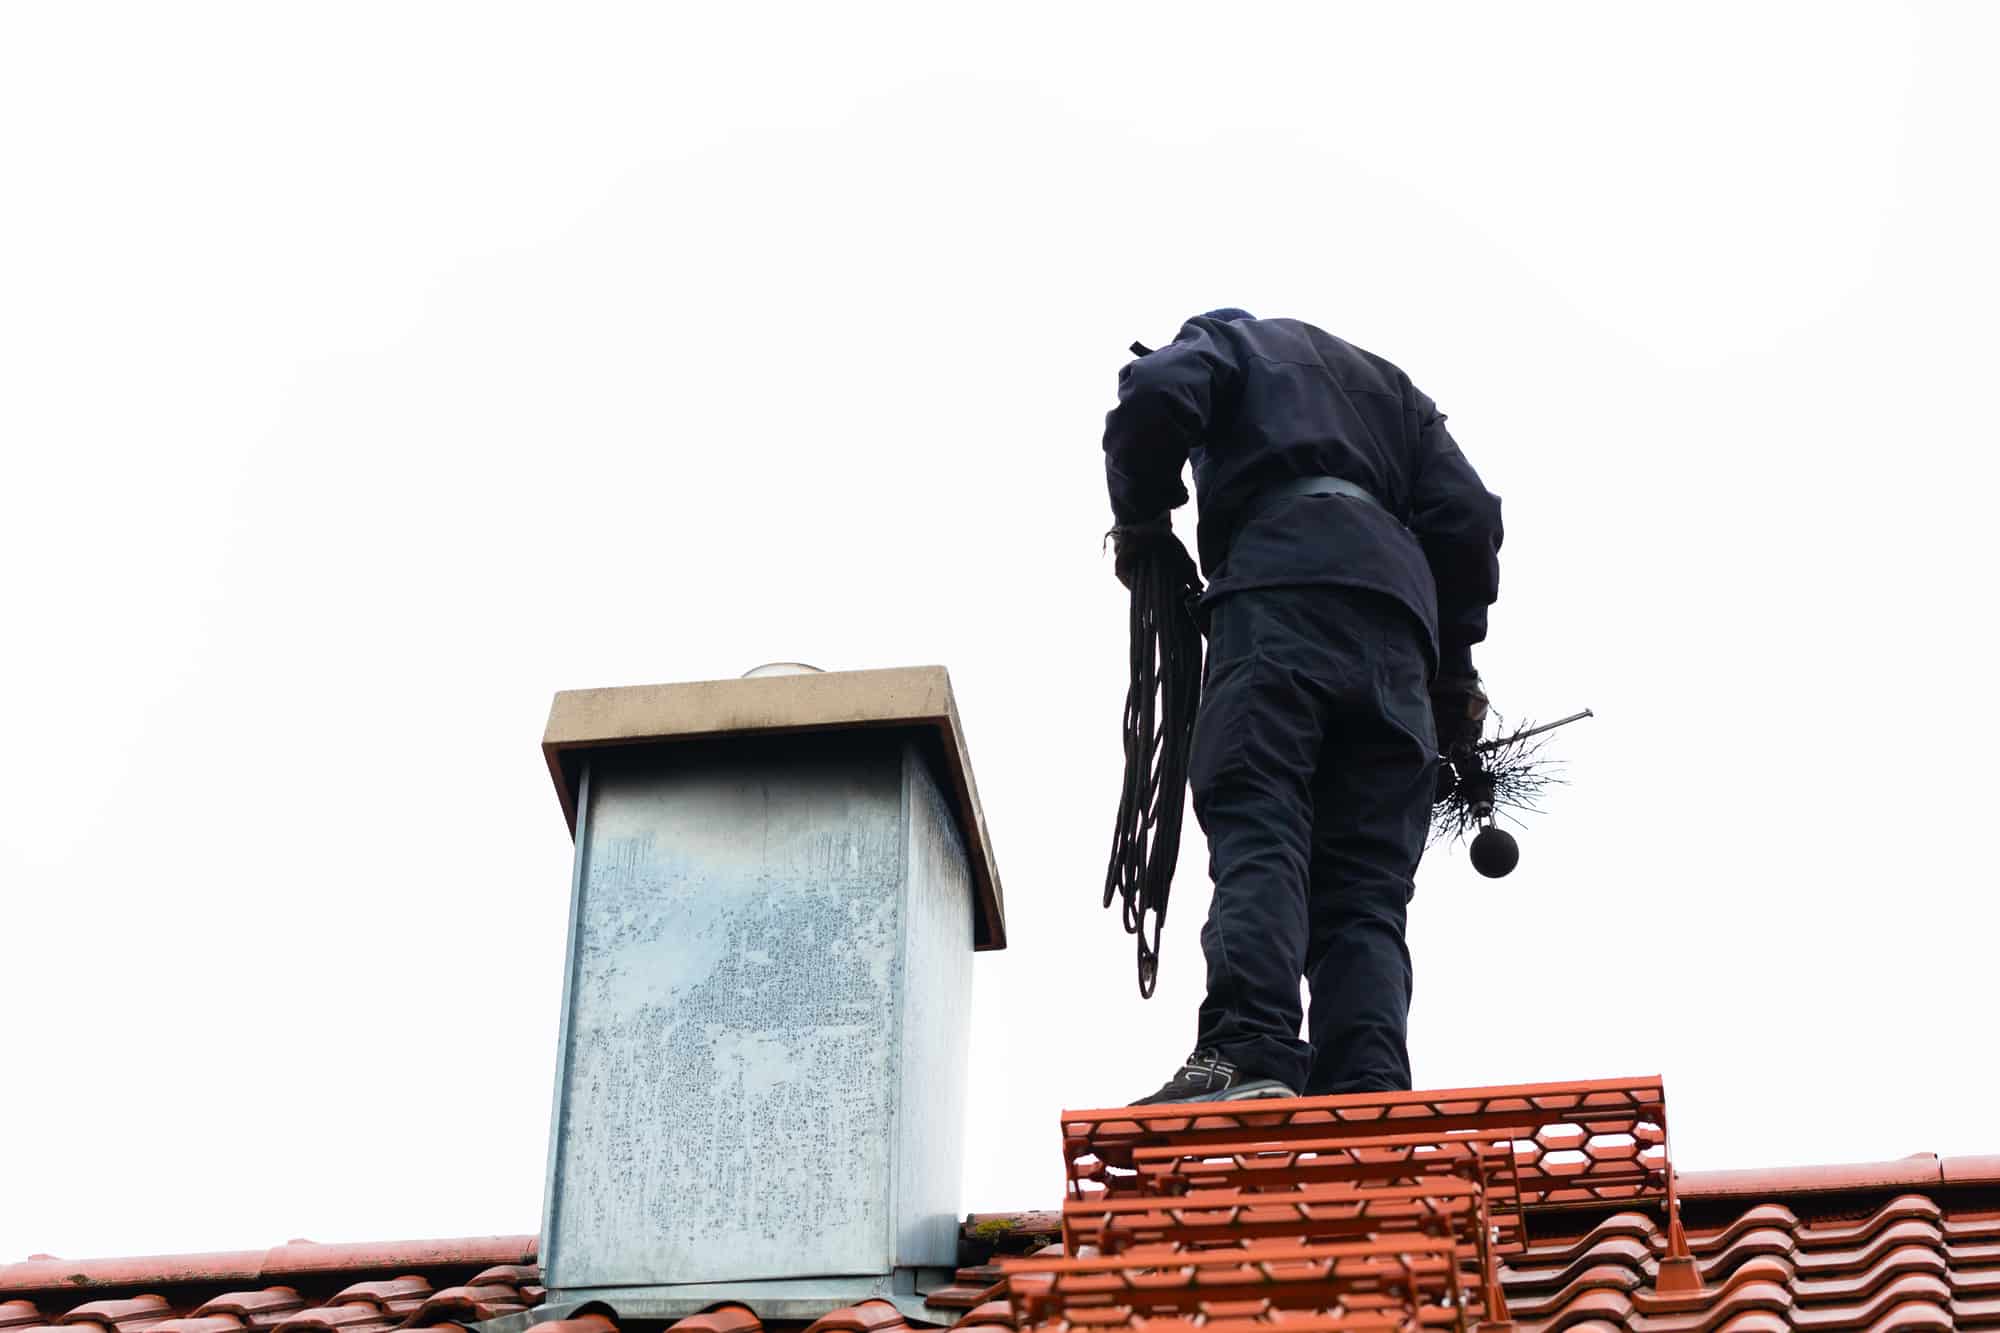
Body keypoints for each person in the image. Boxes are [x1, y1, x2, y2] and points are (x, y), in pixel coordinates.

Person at [1105, 308, 1502, 1104]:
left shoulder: (1232, 341)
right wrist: (1454, 671)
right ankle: (1368, 1088)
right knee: (1365, 887)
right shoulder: (1401, 400)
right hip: (1399, 643)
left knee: (1262, 817)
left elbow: (1156, 390)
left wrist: (1143, 521)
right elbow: (1468, 518)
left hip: (1281, 599)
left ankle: (1245, 1049)